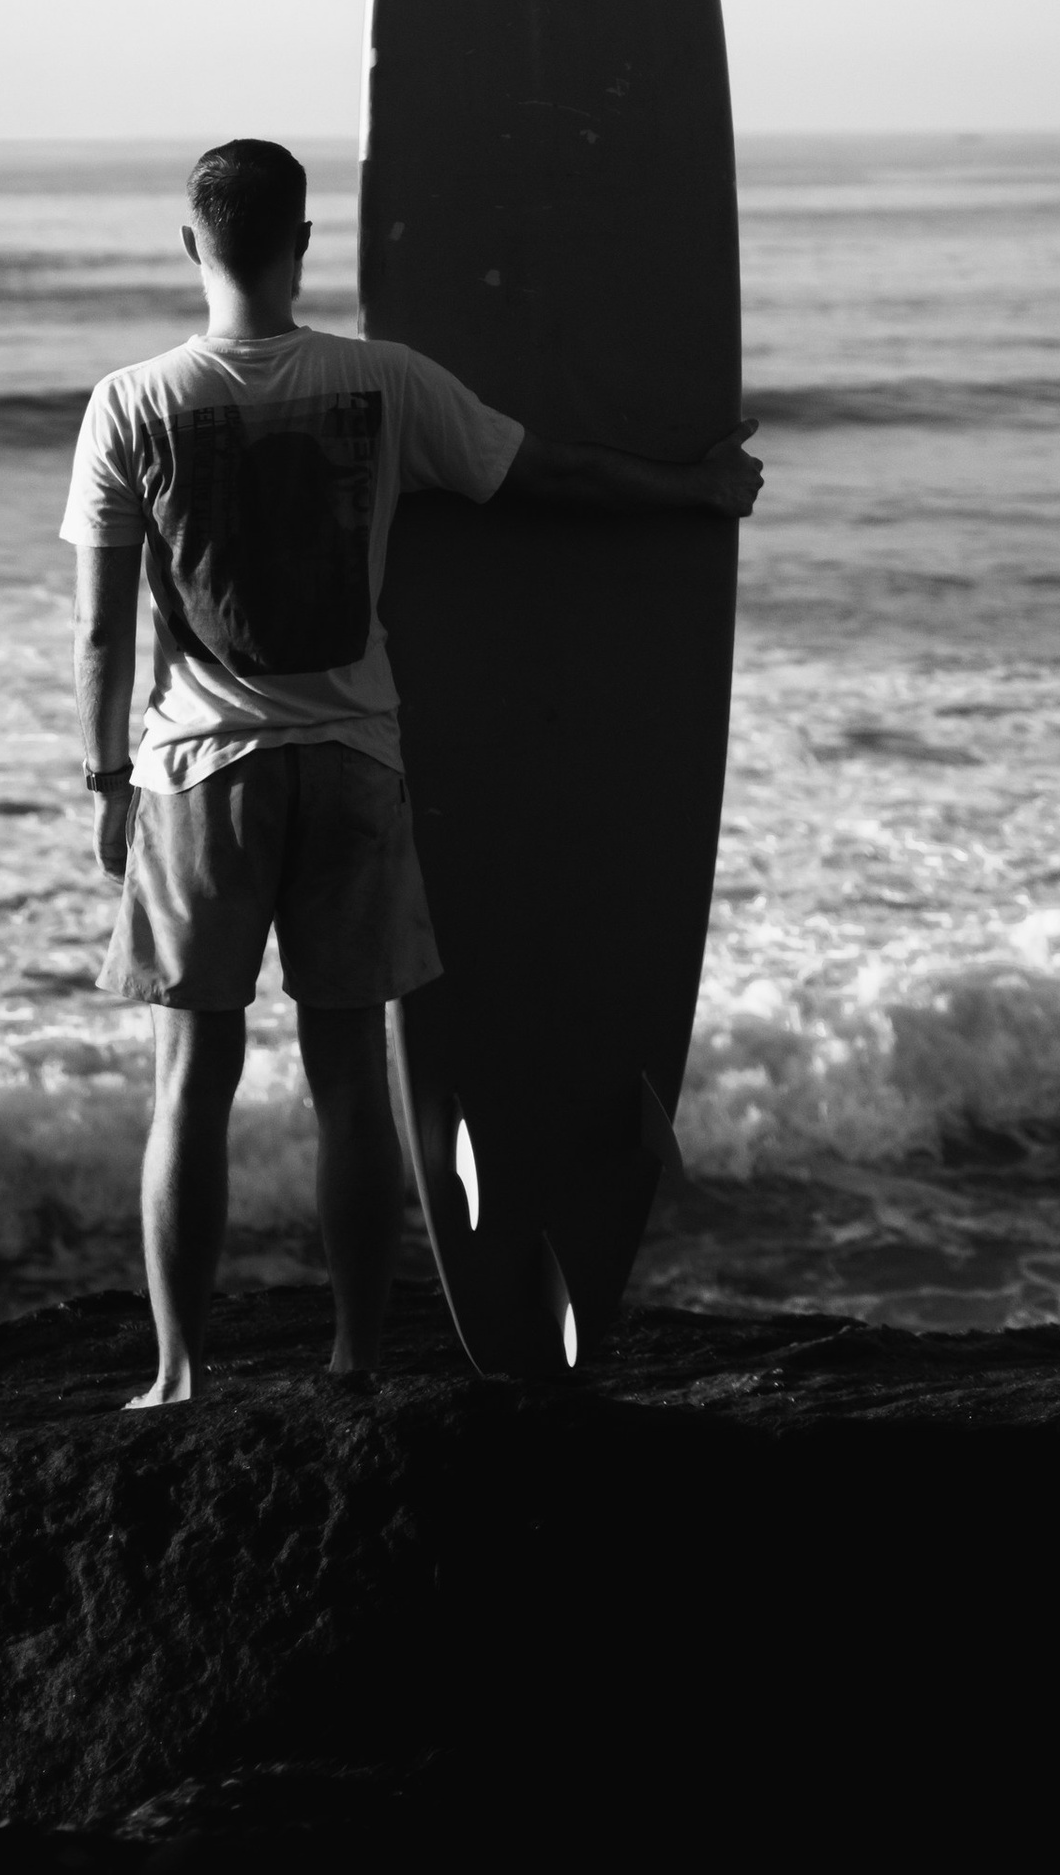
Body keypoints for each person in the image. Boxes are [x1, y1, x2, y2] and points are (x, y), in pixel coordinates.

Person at [61, 137, 762, 1408]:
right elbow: (541, 471)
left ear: (188, 244)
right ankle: (356, 1355)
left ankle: (175, 1371)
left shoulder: (131, 402)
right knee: (347, 1085)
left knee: (189, 1085)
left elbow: (104, 632)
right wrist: (693, 489)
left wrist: (109, 781)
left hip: (198, 775)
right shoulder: (381, 383)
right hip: (351, 761)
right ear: (306, 240)